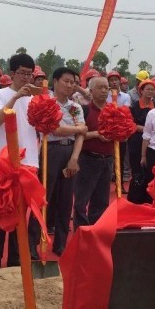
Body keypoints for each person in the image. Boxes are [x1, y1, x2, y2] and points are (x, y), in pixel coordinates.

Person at [0, 53, 40, 268]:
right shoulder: (0, 94)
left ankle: (16, 258)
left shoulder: (36, 99)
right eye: (22, 73)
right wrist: (16, 96)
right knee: (1, 209)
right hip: (5, 161)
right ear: (12, 74)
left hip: (30, 162)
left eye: (30, 74)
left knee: (21, 212)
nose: (26, 78)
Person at [44, 67, 86, 255]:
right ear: (55, 81)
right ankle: (35, 242)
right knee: (44, 197)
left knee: (66, 200)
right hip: (50, 151)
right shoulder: (46, 104)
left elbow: (81, 134)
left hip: (70, 152)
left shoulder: (75, 107)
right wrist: (78, 129)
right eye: (66, 81)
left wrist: (75, 158)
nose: (70, 85)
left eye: (73, 82)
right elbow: (55, 129)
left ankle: (60, 244)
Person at [74, 76, 119, 225]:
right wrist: (96, 134)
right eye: (100, 88)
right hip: (87, 159)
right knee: (81, 201)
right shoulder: (83, 110)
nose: (104, 91)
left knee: (101, 201)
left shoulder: (113, 111)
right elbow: (76, 134)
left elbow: (123, 135)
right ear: (91, 91)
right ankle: (81, 232)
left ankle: (97, 230)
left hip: (107, 160)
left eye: (106, 88)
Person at [127, 78, 155, 203]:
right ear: (141, 91)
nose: (150, 92)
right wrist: (146, 129)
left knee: (151, 170)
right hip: (137, 141)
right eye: (147, 89)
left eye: (152, 90)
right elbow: (130, 124)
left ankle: (149, 198)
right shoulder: (133, 107)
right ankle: (135, 200)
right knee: (138, 170)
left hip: (153, 142)